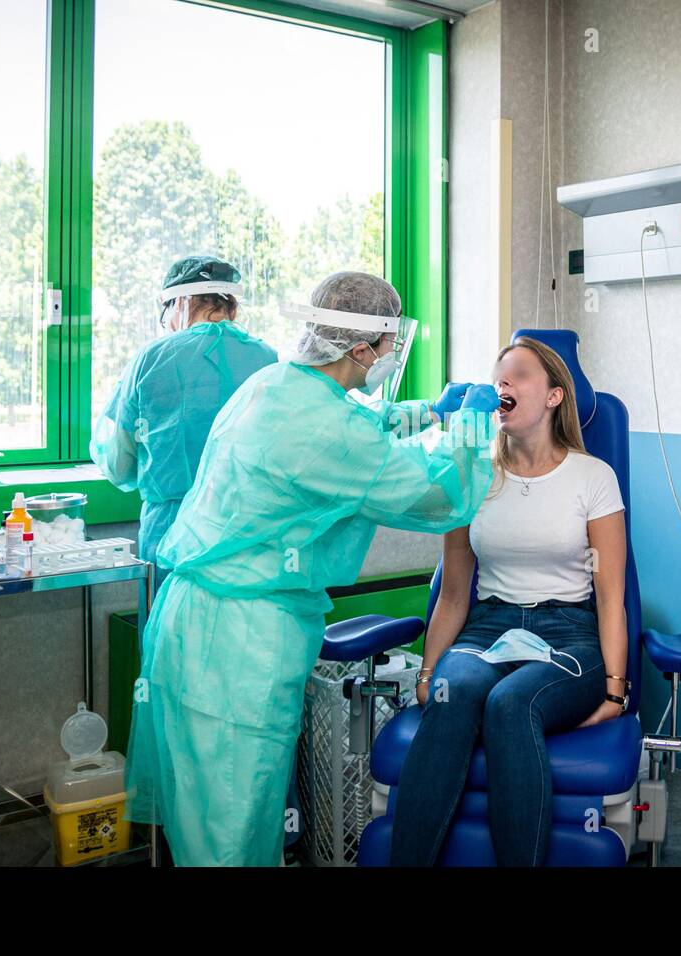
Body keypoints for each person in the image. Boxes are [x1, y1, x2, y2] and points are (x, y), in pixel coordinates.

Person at [123, 270, 502, 866]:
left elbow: (354, 427)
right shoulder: (328, 428)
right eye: (387, 345)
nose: (388, 356)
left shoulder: (274, 384)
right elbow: (430, 491)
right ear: (360, 347)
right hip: (238, 647)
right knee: (233, 824)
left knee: (215, 816)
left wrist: (426, 413)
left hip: (195, 625)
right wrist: (476, 430)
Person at [389, 337, 630, 866]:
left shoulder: (592, 477)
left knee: (510, 704)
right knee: (455, 694)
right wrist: (429, 674)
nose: (503, 384)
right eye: (499, 375)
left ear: (553, 397)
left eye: (519, 374)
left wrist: (615, 692)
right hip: (488, 625)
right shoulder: (471, 474)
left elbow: (612, 597)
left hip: (568, 631)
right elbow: (454, 593)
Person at [91, 256, 277, 591]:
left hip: (173, 531)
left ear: (181, 301)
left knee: (173, 632)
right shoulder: (267, 358)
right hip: (250, 531)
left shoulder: (154, 358)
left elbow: (118, 463)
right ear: (231, 305)